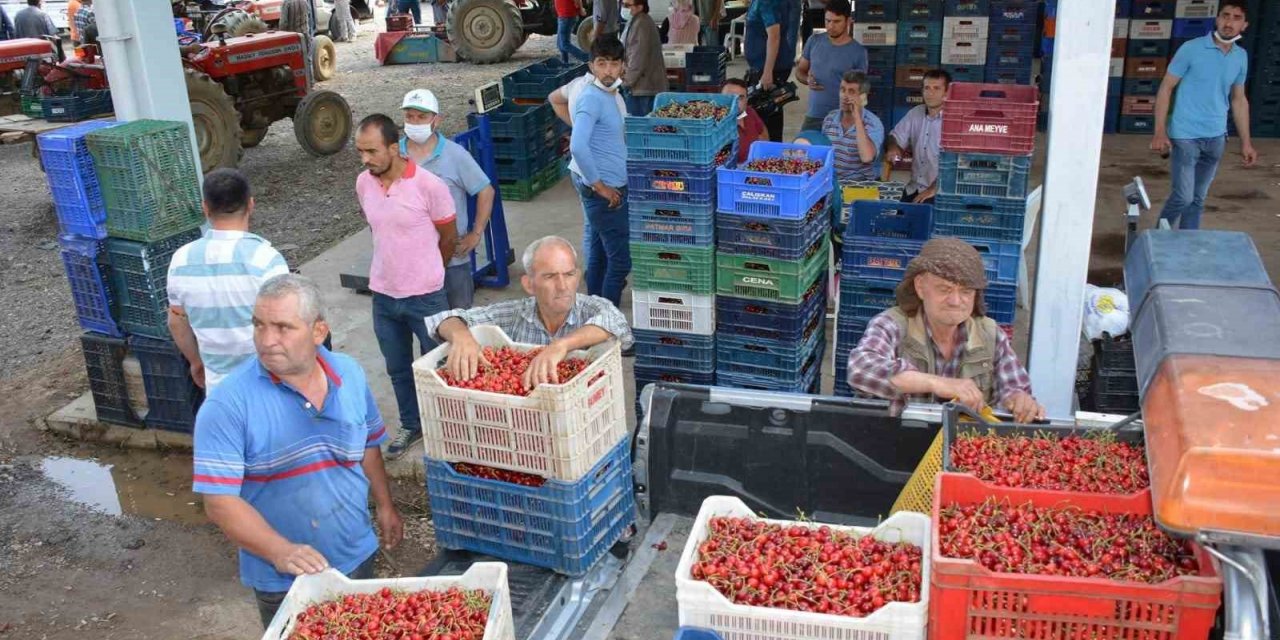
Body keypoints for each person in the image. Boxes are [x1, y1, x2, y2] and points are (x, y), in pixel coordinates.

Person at [192, 274, 403, 629]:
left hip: (356, 554)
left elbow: (368, 444)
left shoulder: (349, 374)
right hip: (284, 580)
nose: (267, 340)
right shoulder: (227, 405)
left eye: (283, 327)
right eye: (259, 325)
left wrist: (385, 505)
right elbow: (219, 502)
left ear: (318, 331)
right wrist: (280, 551)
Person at [847, 238, 1044, 422]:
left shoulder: (990, 335)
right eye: (944, 289)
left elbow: (1015, 387)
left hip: (965, 443)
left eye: (966, 291)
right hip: (897, 438)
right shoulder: (892, 325)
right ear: (920, 287)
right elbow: (860, 368)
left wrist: (1019, 400)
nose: (955, 301)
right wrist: (937, 383)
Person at [353, 114, 458, 460]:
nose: (365, 159)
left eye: (372, 151)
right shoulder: (364, 184)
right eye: (360, 152)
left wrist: (430, 271)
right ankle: (411, 425)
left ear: (394, 147)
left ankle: (448, 430)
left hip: (426, 297)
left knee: (438, 368)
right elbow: (378, 229)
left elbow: (448, 237)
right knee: (398, 369)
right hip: (383, 296)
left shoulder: (430, 186)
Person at [425, 236, 634, 387]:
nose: (563, 286)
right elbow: (443, 319)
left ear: (578, 277)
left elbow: (616, 321)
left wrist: (561, 346)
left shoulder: (590, 309)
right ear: (529, 284)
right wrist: (461, 336)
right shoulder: (514, 315)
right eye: (550, 277)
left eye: (569, 274)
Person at [167, 169, 290, 392]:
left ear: (205, 209)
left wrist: (196, 361)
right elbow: (287, 324)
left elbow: (177, 321)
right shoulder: (266, 259)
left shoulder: (181, 260)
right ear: (250, 205)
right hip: (269, 384)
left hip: (219, 389)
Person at [1151, 0, 1257, 230]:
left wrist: (1246, 142)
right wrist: (1160, 131)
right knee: (1183, 197)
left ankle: (1188, 243)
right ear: (1217, 19)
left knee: (1198, 199)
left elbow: (1239, 99)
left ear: (1244, 25)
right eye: (1225, 16)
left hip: (1216, 136)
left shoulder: (1240, 56)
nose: (1229, 22)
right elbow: (1166, 88)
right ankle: (1157, 237)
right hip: (1185, 134)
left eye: (1236, 18)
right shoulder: (1191, 49)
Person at [399, 89, 496, 310]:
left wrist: (476, 234)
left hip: (452, 259)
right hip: (410, 261)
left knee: (458, 318)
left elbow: (486, 191)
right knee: (422, 322)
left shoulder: (455, 155)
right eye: (409, 116)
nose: (415, 122)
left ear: (437, 120)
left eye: (421, 117)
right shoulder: (394, 156)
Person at [570, 37, 630, 308]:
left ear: (622, 66)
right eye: (602, 64)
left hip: (604, 183)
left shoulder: (613, 94)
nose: (608, 70)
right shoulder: (592, 98)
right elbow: (577, 146)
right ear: (591, 66)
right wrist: (600, 186)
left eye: (614, 64)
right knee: (620, 261)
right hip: (604, 190)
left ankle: (593, 312)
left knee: (599, 253)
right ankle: (609, 320)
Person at [795, 0, 866, 133]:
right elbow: (800, 71)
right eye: (827, 21)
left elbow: (861, 91)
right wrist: (807, 80)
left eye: (836, 21)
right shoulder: (814, 41)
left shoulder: (858, 52)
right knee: (802, 145)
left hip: (842, 119)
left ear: (848, 21)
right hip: (814, 115)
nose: (831, 26)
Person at [886, 68, 948, 204]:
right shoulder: (915, 113)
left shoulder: (953, 120)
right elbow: (894, 136)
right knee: (894, 214)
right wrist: (893, 147)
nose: (930, 93)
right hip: (913, 188)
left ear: (947, 93)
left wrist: (934, 188)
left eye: (936, 88)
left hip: (940, 191)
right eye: (927, 88)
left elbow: (959, 164)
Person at [744, 0, 799, 141]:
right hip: (770, 65)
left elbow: (774, 36)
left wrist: (767, 72)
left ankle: (769, 150)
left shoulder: (766, 2)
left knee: (766, 115)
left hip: (768, 68)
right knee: (770, 112)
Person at [822, 70, 884, 182]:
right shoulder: (830, 118)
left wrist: (857, 119)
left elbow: (867, 157)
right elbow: (823, 154)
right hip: (833, 182)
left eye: (851, 92)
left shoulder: (873, 123)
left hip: (859, 184)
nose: (844, 96)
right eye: (842, 90)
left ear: (863, 97)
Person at [621, 0, 667, 116]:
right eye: (623, 4)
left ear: (639, 7)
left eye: (627, 5)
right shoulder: (635, 21)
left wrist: (626, 81)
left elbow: (637, 58)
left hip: (644, 88)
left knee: (639, 124)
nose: (624, 8)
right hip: (641, 86)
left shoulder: (642, 24)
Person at [723, 78, 767, 164]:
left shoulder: (750, 112)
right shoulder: (712, 125)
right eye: (729, 97)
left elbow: (762, 132)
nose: (735, 102)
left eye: (740, 98)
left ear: (747, 100)